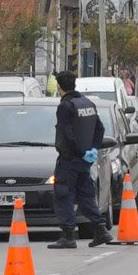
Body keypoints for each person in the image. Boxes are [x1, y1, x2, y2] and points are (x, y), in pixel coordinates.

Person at [52, 70, 111, 249]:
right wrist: (92, 148)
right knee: (85, 195)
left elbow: (67, 134)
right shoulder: (87, 103)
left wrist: (79, 151)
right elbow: (99, 128)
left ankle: (68, 235)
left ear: (59, 87)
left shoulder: (66, 106)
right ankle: (100, 230)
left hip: (70, 159)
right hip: (85, 160)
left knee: (63, 194)